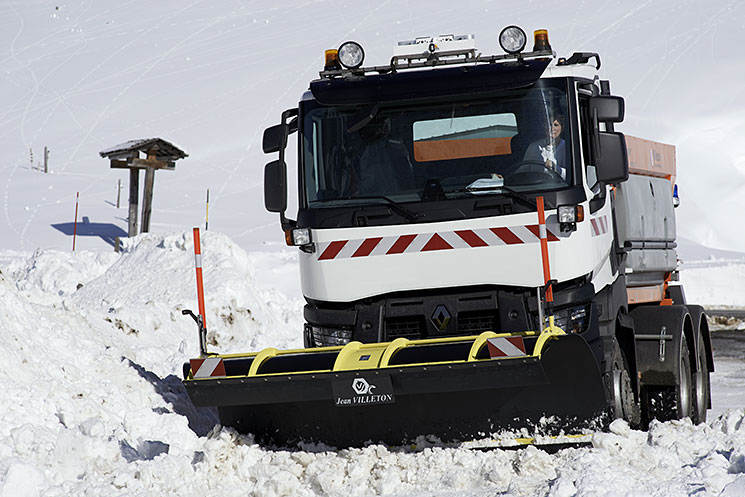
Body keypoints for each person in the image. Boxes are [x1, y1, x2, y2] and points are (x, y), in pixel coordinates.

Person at [522, 112, 568, 180]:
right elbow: (524, 170)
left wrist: (555, 168)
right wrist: (505, 178)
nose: (552, 128)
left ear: (562, 128)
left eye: (556, 125)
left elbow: (572, 177)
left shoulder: (566, 147)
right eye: (549, 124)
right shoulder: (534, 147)